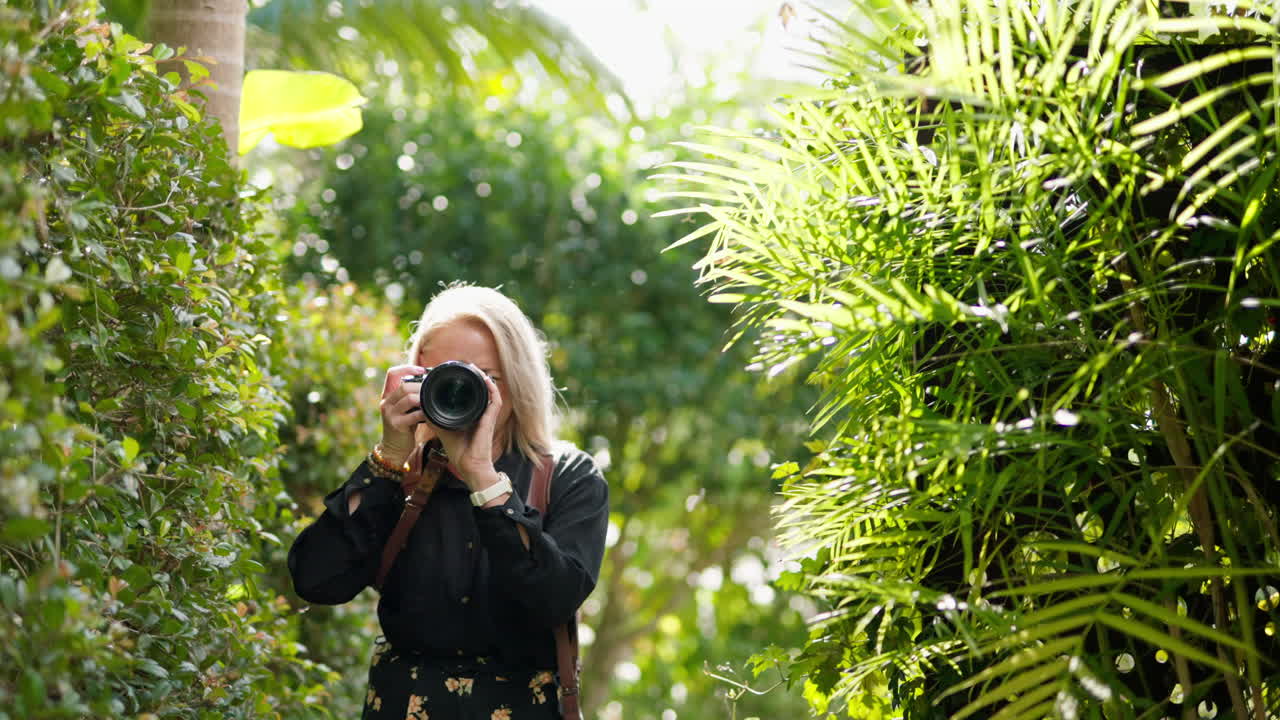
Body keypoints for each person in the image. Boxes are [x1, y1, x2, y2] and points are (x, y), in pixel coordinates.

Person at [288, 283, 609, 720]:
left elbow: (554, 599)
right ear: (415, 377)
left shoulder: (567, 477)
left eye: (484, 378)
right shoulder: (399, 474)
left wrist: (483, 478)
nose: (459, 391)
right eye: (443, 375)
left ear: (516, 384)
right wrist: (388, 458)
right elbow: (316, 580)